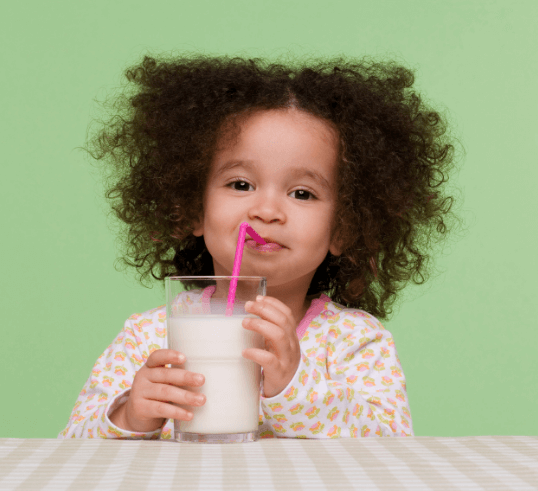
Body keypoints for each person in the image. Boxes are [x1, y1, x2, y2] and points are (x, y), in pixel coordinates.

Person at [59, 54, 457, 440]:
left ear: (344, 228)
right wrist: (130, 415)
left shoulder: (354, 342)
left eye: (302, 193)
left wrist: (295, 385)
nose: (266, 210)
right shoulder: (149, 336)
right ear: (192, 209)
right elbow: (70, 446)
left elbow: (394, 447)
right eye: (240, 184)